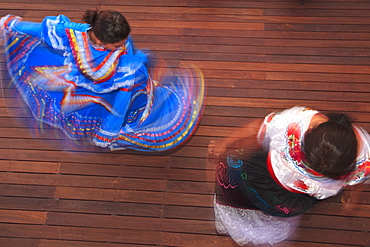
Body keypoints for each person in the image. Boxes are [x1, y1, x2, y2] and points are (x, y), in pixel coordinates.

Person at [0, 9, 204, 152]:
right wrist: (11, 25)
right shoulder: (72, 33)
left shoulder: (125, 64)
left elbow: (121, 102)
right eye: (117, 44)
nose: (123, 46)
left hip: (126, 86)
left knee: (136, 109)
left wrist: (109, 131)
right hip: (89, 85)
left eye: (124, 41)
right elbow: (39, 30)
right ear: (98, 39)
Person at [208, 106, 369, 246]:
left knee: (263, 211)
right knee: (239, 197)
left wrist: (352, 201)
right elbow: (257, 128)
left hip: (294, 196)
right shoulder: (294, 121)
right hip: (262, 174)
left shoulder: (364, 160)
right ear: (309, 132)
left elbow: (356, 184)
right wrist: (226, 142)